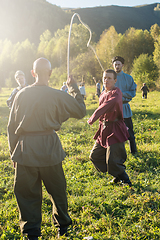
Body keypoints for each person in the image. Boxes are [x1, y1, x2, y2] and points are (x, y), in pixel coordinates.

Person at [7, 57, 86, 240]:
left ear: (32, 73)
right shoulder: (58, 95)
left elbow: (11, 128)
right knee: (57, 192)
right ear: (50, 73)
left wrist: (14, 153)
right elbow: (80, 111)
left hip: (25, 150)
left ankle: (31, 233)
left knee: (27, 195)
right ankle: (63, 229)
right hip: (50, 149)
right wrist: (73, 86)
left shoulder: (20, 94)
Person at [88, 69, 132, 187]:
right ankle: (116, 173)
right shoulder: (103, 93)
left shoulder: (116, 93)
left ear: (115, 80)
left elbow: (107, 106)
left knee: (113, 160)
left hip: (115, 129)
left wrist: (93, 118)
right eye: (104, 78)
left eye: (109, 78)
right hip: (104, 129)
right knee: (95, 156)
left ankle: (125, 179)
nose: (106, 80)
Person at [112, 56, 137, 154]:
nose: (117, 66)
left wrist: (120, 94)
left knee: (129, 131)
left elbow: (132, 92)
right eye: (115, 64)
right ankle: (116, 152)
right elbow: (104, 93)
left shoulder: (128, 78)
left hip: (125, 108)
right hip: (113, 109)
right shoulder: (110, 78)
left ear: (122, 65)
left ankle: (133, 151)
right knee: (114, 132)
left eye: (118, 64)